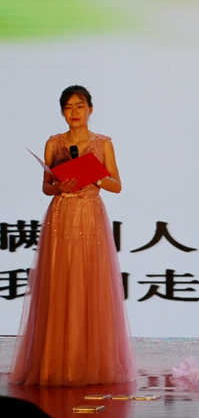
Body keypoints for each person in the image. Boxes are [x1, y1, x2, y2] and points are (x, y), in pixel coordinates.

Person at [10, 85, 136, 386]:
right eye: (68, 107)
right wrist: (58, 186)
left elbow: (117, 184)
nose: (74, 112)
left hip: (90, 214)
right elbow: (46, 186)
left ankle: (90, 362)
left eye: (80, 106)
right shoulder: (54, 143)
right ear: (62, 112)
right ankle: (55, 363)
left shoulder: (103, 143)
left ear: (90, 109)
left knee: (89, 283)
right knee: (60, 283)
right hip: (62, 215)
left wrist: (95, 176)